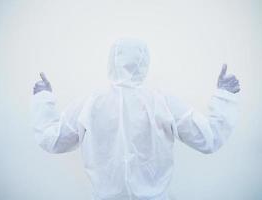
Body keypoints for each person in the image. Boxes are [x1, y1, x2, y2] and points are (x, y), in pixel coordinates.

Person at [32, 38, 240, 200]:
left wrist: (43, 99)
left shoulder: (91, 103)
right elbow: (208, 138)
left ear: (111, 60)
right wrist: (225, 97)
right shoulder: (162, 102)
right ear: (145, 62)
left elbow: (53, 139)